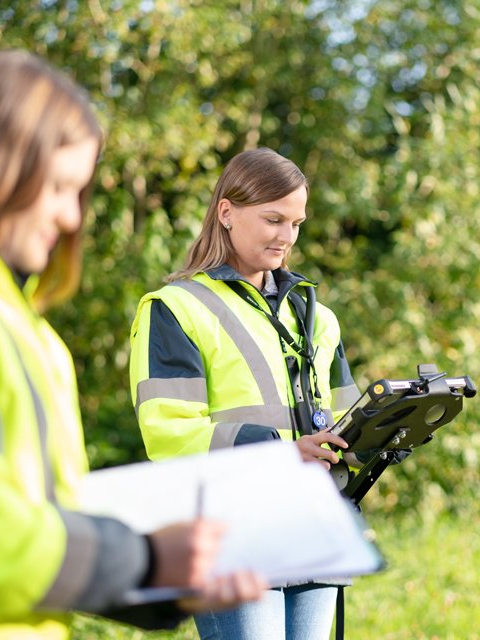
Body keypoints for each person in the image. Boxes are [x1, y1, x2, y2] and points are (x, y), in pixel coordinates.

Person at [0, 50, 267, 639]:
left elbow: (40, 536)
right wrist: (145, 558)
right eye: (59, 187)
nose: (68, 217)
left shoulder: (26, 329)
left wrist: (168, 580)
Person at [129, 147, 362, 639]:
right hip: (231, 533)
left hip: (314, 525)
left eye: (296, 223)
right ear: (227, 212)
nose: (287, 237)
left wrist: (394, 425)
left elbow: (345, 418)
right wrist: (281, 453)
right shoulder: (176, 308)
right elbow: (168, 434)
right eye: (273, 219)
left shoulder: (318, 318)